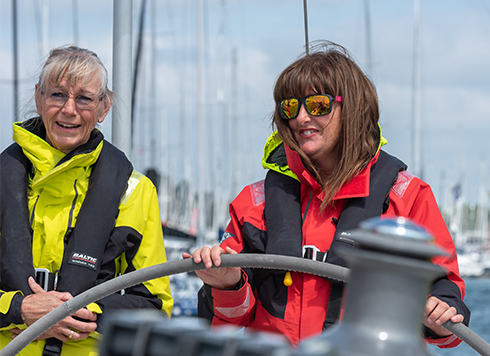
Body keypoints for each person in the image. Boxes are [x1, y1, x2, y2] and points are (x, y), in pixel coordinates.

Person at [184, 41, 470, 348]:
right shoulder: (254, 204)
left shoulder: (407, 197)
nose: (302, 118)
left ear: (353, 108)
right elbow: (228, 321)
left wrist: (439, 317)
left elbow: (446, 301)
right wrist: (228, 285)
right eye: (290, 107)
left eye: (318, 105)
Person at [0, 45, 173, 355]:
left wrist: (83, 312)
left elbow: (155, 304)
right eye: (57, 95)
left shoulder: (135, 190)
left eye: (84, 98)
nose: (69, 109)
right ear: (39, 99)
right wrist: (18, 308)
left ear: (103, 108)